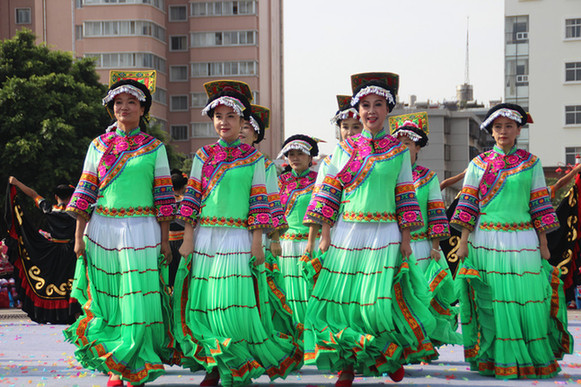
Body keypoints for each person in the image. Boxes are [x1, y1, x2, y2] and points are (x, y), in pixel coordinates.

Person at [303, 72, 437, 386]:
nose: (371, 110)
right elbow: (328, 194)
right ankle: (347, 366)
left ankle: (384, 354)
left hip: (385, 233)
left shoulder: (398, 151)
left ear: (388, 110)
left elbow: (404, 194)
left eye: (378, 104)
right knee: (344, 302)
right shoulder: (344, 149)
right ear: (357, 109)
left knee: (377, 303)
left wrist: (406, 238)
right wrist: (325, 235)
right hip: (347, 232)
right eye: (365, 105)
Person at [174, 80, 302, 387]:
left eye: (231, 116)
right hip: (205, 238)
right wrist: (189, 237)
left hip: (237, 238)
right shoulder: (203, 156)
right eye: (218, 116)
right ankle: (215, 364)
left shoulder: (256, 159)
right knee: (205, 302)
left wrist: (259, 242)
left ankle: (236, 362)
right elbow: (191, 199)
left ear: (243, 122)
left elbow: (259, 202)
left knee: (231, 302)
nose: (224, 122)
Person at [64, 73, 178, 387]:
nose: (124, 107)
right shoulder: (97, 145)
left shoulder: (154, 148)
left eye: (131, 102)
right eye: (118, 102)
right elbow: (86, 190)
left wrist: (165, 240)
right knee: (109, 296)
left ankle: (134, 359)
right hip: (101, 229)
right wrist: (78, 236)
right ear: (111, 108)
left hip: (142, 229)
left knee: (136, 297)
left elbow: (164, 197)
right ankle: (116, 363)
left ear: (143, 110)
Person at [452, 103, 573, 379]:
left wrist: (543, 243)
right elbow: (468, 204)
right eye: (497, 127)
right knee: (494, 299)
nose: (503, 131)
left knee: (526, 298)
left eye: (509, 126)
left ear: (519, 129)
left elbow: (540, 205)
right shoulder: (478, 164)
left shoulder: (532, 163)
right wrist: (463, 241)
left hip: (523, 239)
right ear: (491, 132)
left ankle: (528, 357)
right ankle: (495, 358)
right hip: (486, 239)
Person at [389, 112, 461, 346]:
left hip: (419, 246)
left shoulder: (427, 177)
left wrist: (435, 246)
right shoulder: (385, 173)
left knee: (418, 294)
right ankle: (397, 340)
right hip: (389, 242)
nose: (402, 147)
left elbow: (436, 212)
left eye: (407, 144)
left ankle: (420, 340)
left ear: (417, 147)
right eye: (398, 143)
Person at [6, 178, 80, 323]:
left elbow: (33, 194)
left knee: (53, 281)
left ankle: (53, 315)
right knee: (72, 281)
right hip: (73, 251)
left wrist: (17, 183)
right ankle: (74, 313)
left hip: (54, 250)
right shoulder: (76, 211)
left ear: (56, 197)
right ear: (72, 196)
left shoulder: (49, 208)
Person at [276, 134, 319, 334]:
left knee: (309, 290)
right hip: (284, 245)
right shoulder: (279, 182)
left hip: (310, 243)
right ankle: (293, 338)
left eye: (300, 153)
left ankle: (312, 336)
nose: (295, 157)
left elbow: (322, 213)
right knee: (287, 291)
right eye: (290, 154)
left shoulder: (319, 181)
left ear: (311, 157)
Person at [168, 169, 188, 289]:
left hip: (167, 241)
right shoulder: (186, 201)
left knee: (169, 275)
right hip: (183, 241)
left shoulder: (165, 201)